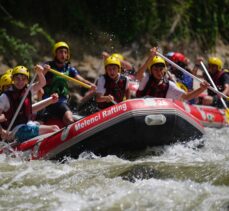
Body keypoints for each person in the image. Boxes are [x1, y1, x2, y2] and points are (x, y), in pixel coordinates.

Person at [0, 65, 59, 143]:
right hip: (14, 131)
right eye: (17, 79)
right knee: (54, 129)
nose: (20, 82)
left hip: (26, 125)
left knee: (55, 128)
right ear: (12, 79)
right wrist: (2, 131)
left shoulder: (28, 90)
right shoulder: (5, 97)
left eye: (23, 79)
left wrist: (39, 73)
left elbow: (42, 83)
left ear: (27, 81)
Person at [41, 41, 96, 125]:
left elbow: (81, 80)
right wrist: (44, 71)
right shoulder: (48, 66)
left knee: (68, 117)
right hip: (49, 100)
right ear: (55, 54)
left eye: (65, 52)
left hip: (62, 100)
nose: (63, 54)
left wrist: (90, 85)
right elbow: (39, 79)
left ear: (67, 55)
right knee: (69, 119)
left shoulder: (69, 69)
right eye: (60, 52)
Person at [135, 47, 209, 101]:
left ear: (164, 69)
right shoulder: (146, 78)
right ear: (151, 71)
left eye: (161, 69)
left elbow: (186, 96)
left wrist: (201, 89)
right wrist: (150, 57)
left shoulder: (169, 85)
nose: (159, 72)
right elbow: (138, 76)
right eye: (155, 70)